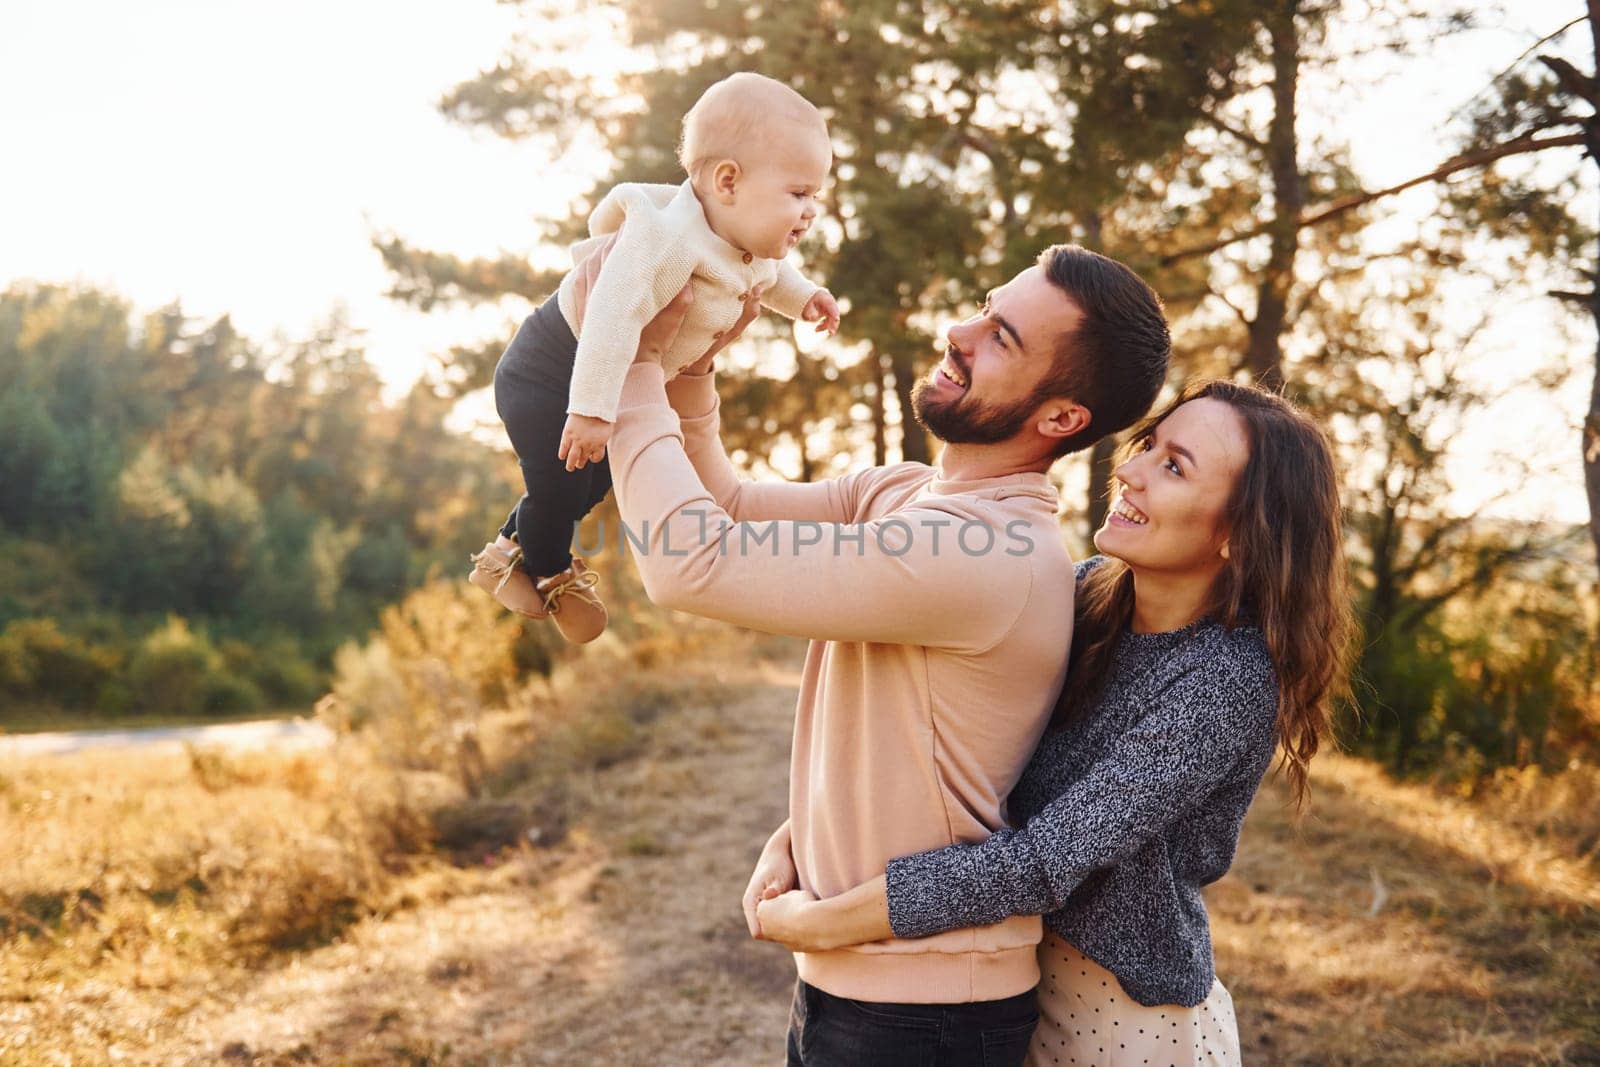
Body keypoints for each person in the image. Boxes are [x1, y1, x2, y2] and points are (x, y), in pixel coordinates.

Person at [572, 234, 1172, 1064]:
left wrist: (627, 362)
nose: (960, 332)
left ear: (1062, 417)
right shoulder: (905, 491)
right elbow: (732, 505)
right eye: (986, 308)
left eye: (1002, 339)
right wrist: (689, 364)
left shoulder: (987, 551)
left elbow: (692, 563)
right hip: (866, 984)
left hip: (923, 1009)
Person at [750, 380, 1355, 1066]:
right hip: (1004, 982)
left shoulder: (1226, 679)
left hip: (1122, 1025)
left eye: (1174, 466)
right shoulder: (1084, 594)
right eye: (1148, 446)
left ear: (1240, 535)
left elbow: (1040, 864)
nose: (1129, 469)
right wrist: (799, 835)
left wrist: (827, 922)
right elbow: (953, 747)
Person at [468, 71, 841, 643]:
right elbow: (610, 315)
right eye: (799, 193)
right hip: (551, 371)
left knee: (595, 482)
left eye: (815, 195)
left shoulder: (741, 243)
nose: (811, 210)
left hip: (599, 384)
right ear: (728, 182)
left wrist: (806, 299)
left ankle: (507, 552)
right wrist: (590, 409)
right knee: (562, 487)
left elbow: (775, 274)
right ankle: (548, 570)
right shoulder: (663, 241)